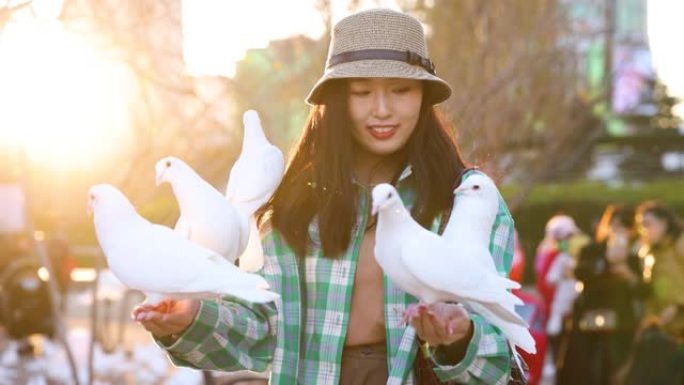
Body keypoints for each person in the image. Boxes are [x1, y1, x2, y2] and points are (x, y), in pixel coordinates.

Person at [132, 8, 518, 384]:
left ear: (424, 97)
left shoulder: (468, 200)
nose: (382, 110)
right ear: (336, 100)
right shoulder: (296, 202)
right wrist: (191, 316)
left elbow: (496, 360)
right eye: (362, 92)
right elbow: (265, 337)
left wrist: (458, 339)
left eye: (401, 90)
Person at [557, 205, 645, 385]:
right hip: (589, 317)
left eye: (625, 226)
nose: (618, 230)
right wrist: (605, 263)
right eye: (615, 224)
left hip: (621, 323)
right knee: (585, 370)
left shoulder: (637, 255)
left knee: (616, 370)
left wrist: (627, 273)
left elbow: (644, 290)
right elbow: (580, 272)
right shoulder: (592, 249)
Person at [636, 200, 684, 339]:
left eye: (648, 224)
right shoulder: (647, 253)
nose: (644, 230)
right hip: (666, 329)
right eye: (642, 225)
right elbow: (651, 290)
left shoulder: (680, 243)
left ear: (664, 222)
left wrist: (678, 306)